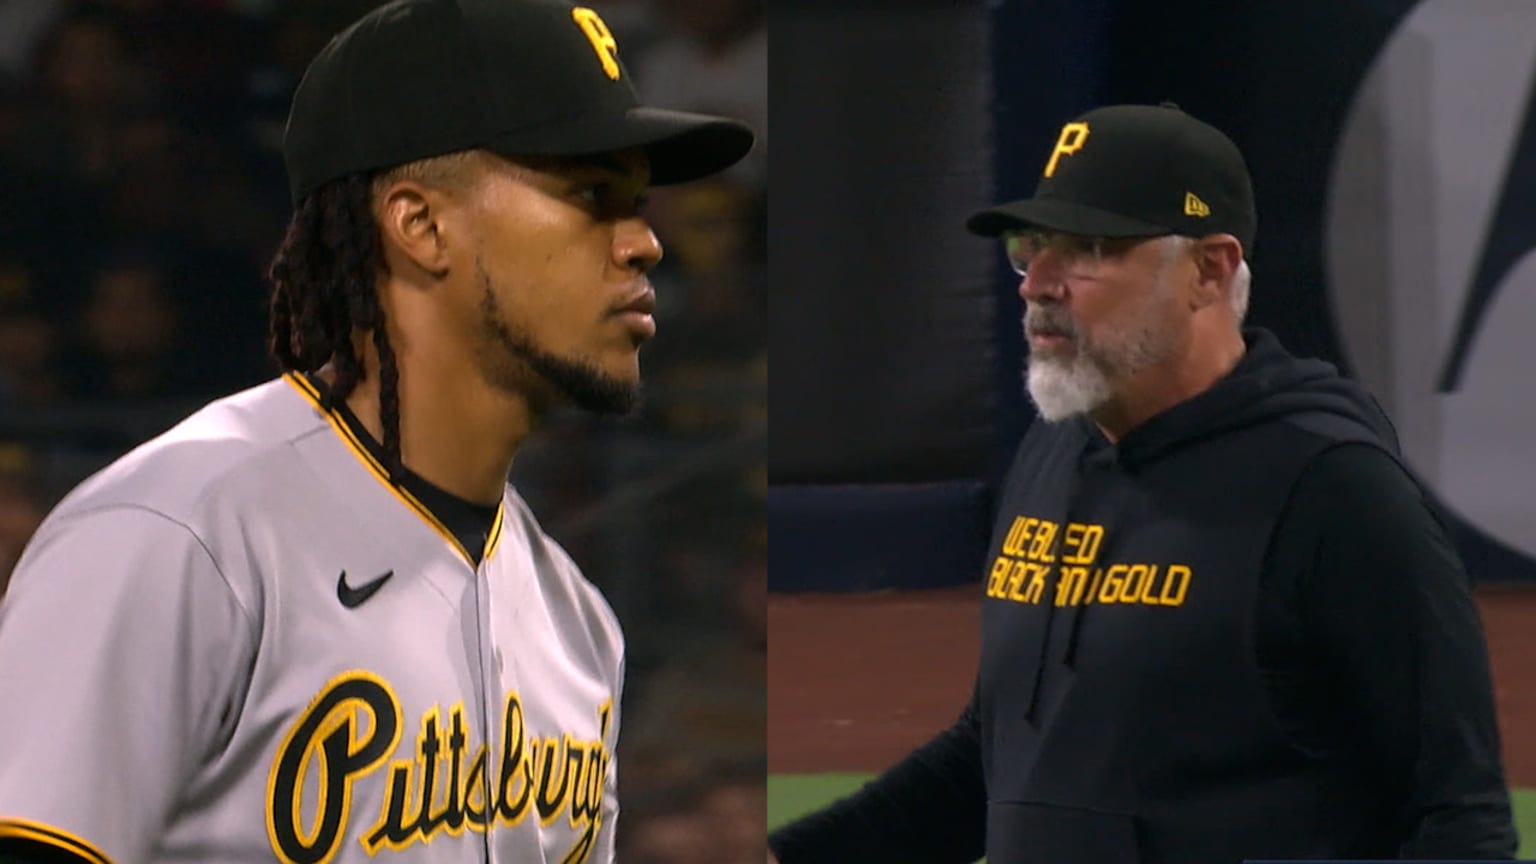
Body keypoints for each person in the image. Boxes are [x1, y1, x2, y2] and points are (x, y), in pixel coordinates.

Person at [0, 0, 751, 861]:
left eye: (638, 201)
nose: (646, 243)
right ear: (420, 223)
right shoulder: (176, 534)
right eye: (591, 194)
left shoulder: (576, 619)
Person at [767, 103, 1516, 863]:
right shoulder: (1053, 451)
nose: (1038, 285)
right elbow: (995, 761)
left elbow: (1460, 817)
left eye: (1088, 249)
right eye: (1032, 248)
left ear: (1207, 270)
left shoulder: (1331, 488)